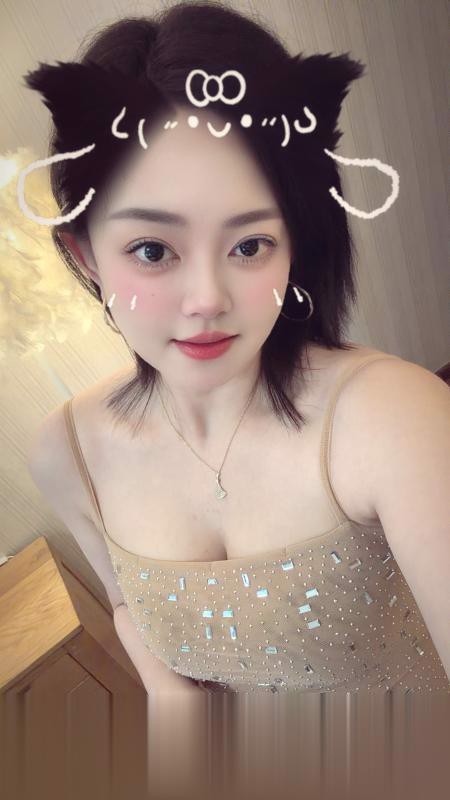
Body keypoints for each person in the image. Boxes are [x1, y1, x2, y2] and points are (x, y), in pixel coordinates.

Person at [24, 1, 449, 705]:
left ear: (295, 243)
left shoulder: (393, 416)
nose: (207, 299)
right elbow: (127, 608)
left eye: (250, 244)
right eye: (152, 250)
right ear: (87, 255)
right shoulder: (66, 451)